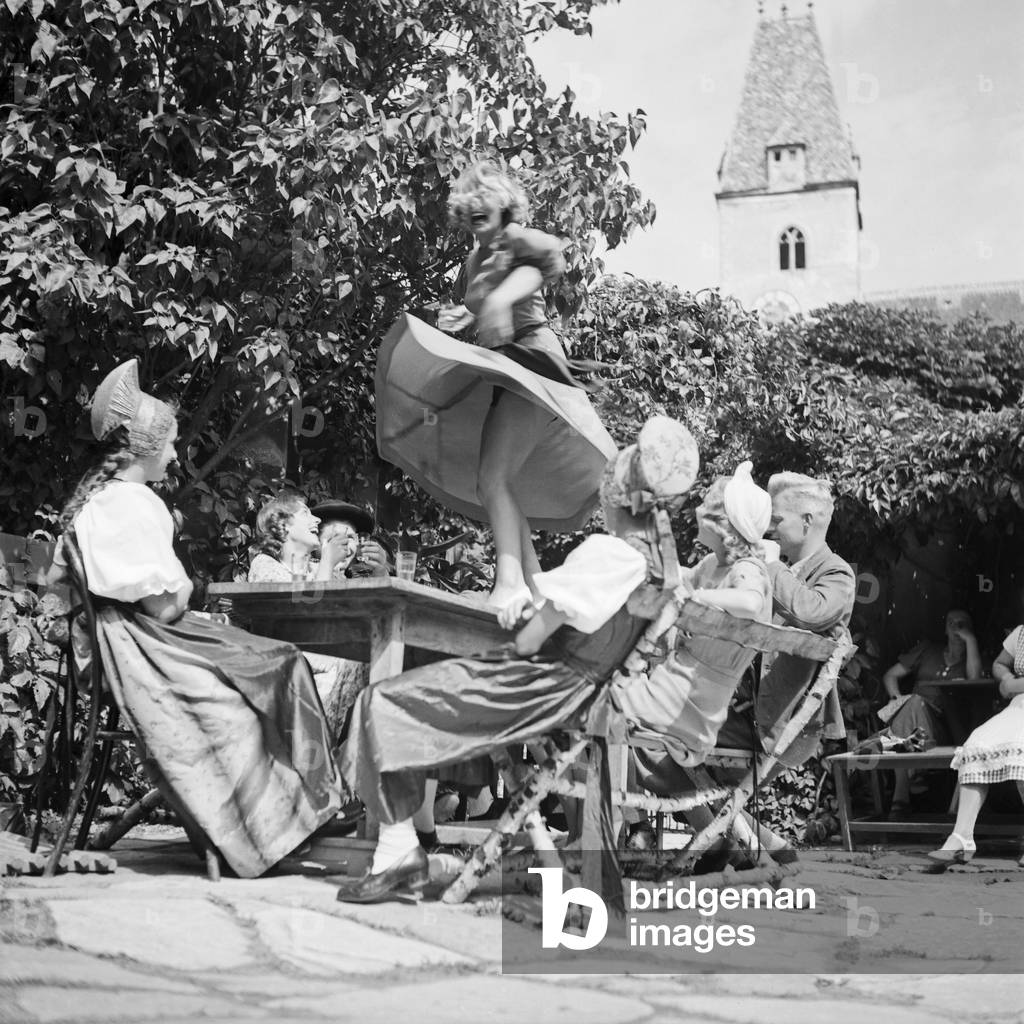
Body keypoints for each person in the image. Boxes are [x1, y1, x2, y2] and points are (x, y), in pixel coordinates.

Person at [335, 415, 700, 903]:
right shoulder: (655, 569)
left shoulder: (608, 555)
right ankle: (406, 842)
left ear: (615, 501)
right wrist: (535, 604)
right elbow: (574, 619)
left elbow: (530, 641)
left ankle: (397, 849)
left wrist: (520, 615)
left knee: (382, 700)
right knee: (413, 693)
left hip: (533, 687)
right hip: (569, 696)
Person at [50, 360, 342, 877]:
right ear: (144, 448)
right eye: (168, 445)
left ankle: (290, 813)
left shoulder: (96, 503)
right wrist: (183, 585)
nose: (173, 455)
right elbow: (165, 607)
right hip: (148, 643)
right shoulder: (136, 503)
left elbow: (58, 581)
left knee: (271, 658)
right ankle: (300, 812)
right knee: (281, 662)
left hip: (124, 640)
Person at [375, 158, 616, 618]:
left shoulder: (514, 237)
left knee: (492, 479)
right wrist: (466, 315)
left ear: (503, 204)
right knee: (493, 484)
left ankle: (509, 585)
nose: (475, 209)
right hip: (505, 369)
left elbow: (551, 259)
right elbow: (485, 302)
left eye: (483, 199)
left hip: (533, 361)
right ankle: (535, 586)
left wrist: (503, 298)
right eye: (468, 204)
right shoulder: (474, 259)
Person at [613, 461, 774, 782]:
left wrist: (698, 597)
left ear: (723, 523)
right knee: (602, 687)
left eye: (705, 503)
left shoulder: (747, 569)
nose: (698, 510)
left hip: (690, 704)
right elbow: (677, 582)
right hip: (673, 688)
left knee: (597, 695)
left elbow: (751, 602)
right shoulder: (712, 564)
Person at [247, 491, 369, 740]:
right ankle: (324, 743)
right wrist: (327, 562)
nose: (316, 520)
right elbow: (308, 613)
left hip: (329, 659)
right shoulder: (265, 565)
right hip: (287, 662)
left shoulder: (317, 569)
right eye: (306, 514)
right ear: (282, 525)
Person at [929, 624, 1024, 866]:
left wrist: (1014, 686)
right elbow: (999, 664)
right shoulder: (1021, 633)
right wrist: (1006, 678)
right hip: (1018, 708)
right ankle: (962, 836)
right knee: (976, 744)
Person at [881, 609, 983, 816]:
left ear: (970, 628)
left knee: (912, 707)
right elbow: (890, 675)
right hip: (912, 716)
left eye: (962, 623)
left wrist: (970, 641)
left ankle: (901, 795)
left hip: (947, 725)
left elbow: (974, 679)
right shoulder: (929, 650)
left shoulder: (973, 659)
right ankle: (915, 773)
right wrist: (896, 699)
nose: (956, 627)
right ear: (945, 628)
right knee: (912, 704)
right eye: (951, 622)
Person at [310, 499, 391, 580]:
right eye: (335, 538)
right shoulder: (304, 574)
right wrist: (327, 563)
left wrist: (380, 573)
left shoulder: (356, 578)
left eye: (350, 537)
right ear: (315, 541)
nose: (346, 547)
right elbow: (318, 588)